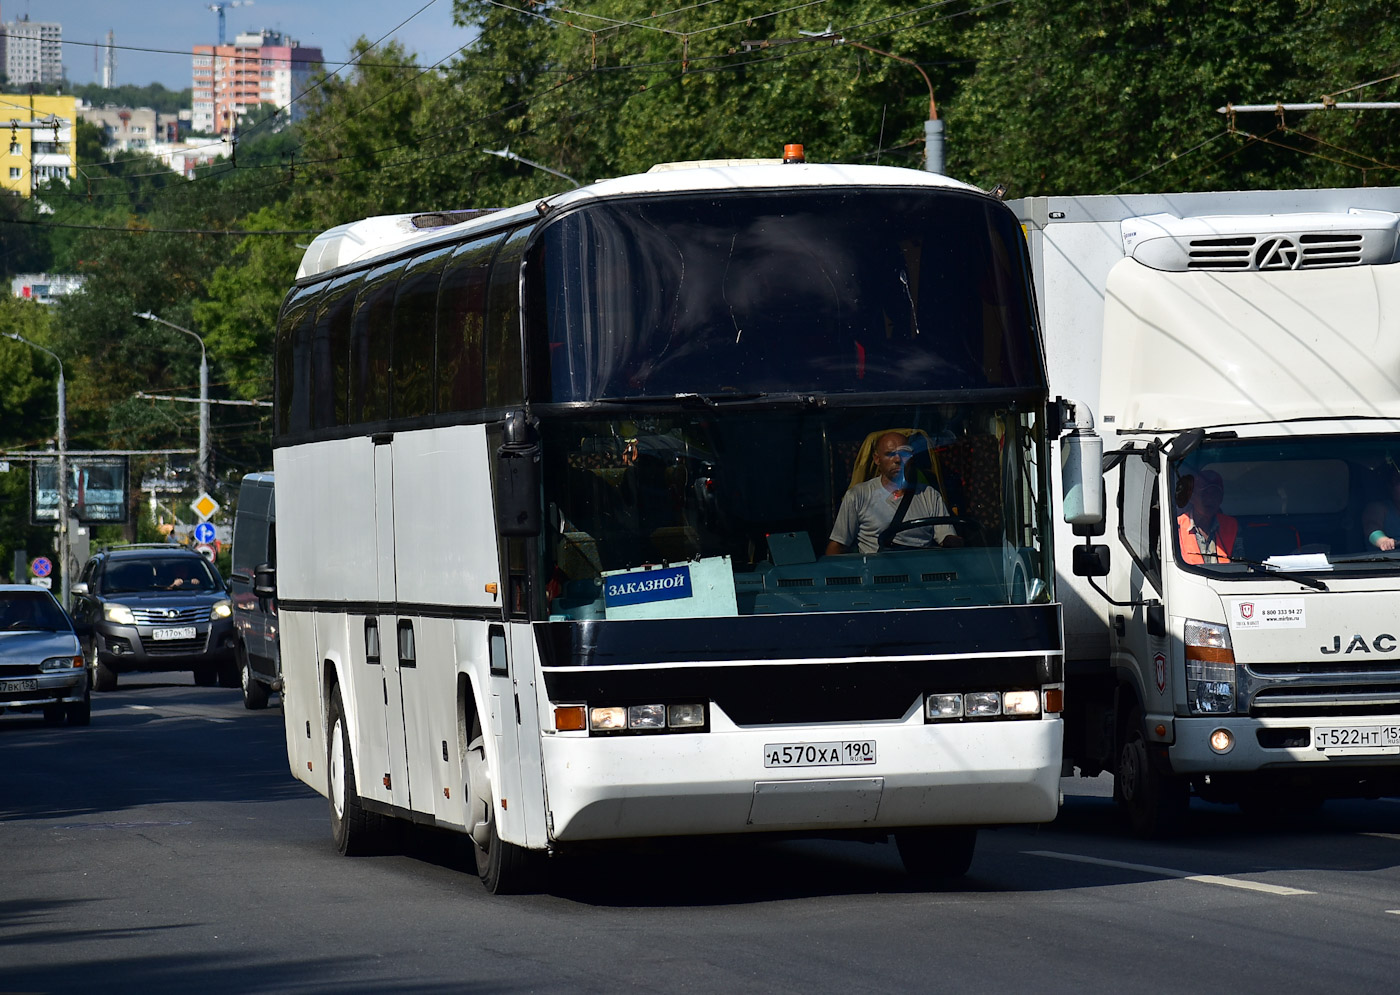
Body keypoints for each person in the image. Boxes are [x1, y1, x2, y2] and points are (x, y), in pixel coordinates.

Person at [826, 431, 959, 555]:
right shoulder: (857, 496)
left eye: (904, 454)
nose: (897, 460)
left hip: (920, 570)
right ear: (877, 459)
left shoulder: (929, 495)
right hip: (877, 573)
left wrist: (957, 543)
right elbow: (838, 545)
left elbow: (947, 537)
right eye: (890, 454)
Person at [1177, 467, 1237, 564]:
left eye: (1215, 494)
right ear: (1191, 498)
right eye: (1204, 494)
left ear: (1221, 499)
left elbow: (1240, 564)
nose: (1210, 499)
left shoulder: (1232, 526)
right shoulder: (1175, 526)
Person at [1362, 467, 1400, 551]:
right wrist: (1384, 541)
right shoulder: (1378, 508)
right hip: (1383, 561)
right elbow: (1371, 527)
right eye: (1398, 482)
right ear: (1390, 486)